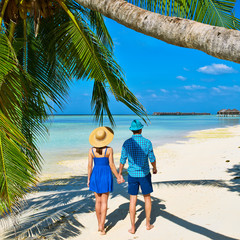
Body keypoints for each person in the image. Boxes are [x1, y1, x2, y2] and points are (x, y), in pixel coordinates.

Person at [119, 119, 157, 234]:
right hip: (144, 174)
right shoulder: (147, 142)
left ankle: (133, 227)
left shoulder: (126, 143)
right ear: (140, 129)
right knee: (147, 198)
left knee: (132, 199)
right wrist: (154, 168)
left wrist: (120, 173)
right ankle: (148, 224)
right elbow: (152, 158)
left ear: (132, 130)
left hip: (132, 175)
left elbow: (122, 160)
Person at [88, 126, 124, 235]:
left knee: (97, 201)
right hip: (105, 175)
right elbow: (112, 165)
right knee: (104, 202)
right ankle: (102, 227)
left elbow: (89, 166)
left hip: (95, 175)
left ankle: (99, 224)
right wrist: (118, 176)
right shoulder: (109, 150)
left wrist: (89, 179)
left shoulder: (91, 150)